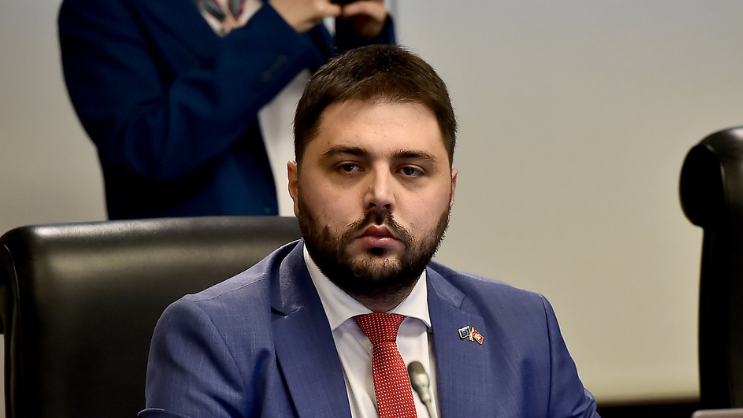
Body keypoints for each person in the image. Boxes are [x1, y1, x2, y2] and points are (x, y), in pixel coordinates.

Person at [140, 45, 601, 418]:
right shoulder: (212, 336)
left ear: (451, 191)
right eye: (349, 167)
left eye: (410, 170)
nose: (380, 195)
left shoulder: (525, 327)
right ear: (296, 185)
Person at [58, 0, 394, 219]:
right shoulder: (101, 9)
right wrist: (274, 29)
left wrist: (363, 38)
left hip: (325, 264)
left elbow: (358, 130)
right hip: (206, 276)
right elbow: (146, 148)